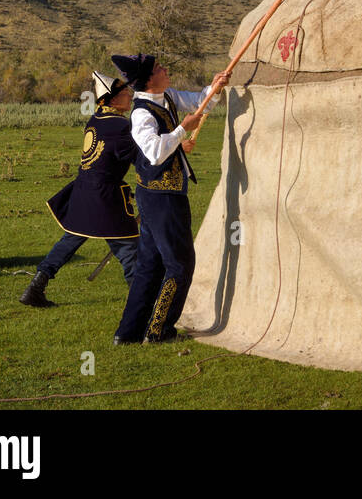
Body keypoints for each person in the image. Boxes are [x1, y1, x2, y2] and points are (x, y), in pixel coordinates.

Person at [111, 54, 229, 344]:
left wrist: (215, 88)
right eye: (160, 68)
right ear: (149, 79)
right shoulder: (141, 114)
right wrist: (180, 131)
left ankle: (127, 333)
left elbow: (198, 103)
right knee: (180, 264)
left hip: (166, 195)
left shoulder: (168, 97)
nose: (166, 70)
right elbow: (154, 152)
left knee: (150, 266)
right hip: (160, 197)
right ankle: (159, 330)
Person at [20, 72, 141, 307]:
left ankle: (35, 287)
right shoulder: (118, 125)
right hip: (106, 198)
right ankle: (141, 306)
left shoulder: (96, 119)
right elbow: (140, 158)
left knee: (69, 241)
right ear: (113, 100)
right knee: (129, 251)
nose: (131, 97)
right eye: (127, 94)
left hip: (84, 192)